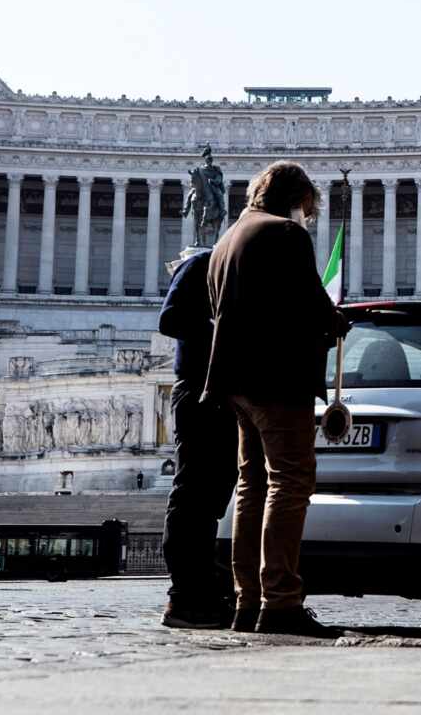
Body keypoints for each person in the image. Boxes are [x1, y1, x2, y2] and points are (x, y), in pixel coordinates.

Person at [204, 161, 345, 637]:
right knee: (290, 482)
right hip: (277, 379)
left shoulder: (225, 241)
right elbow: (309, 303)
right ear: (294, 198)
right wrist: (335, 323)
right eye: (307, 206)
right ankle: (281, 600)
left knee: (251, 487)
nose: (307, 216)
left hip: (234, 382)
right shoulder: (286, 234)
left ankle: (246, 602)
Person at [156, 245, 238, 629]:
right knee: (194, 494)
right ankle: (184, 595)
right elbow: (171, 319)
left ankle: (209, 588)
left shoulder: (235, 269)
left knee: (215, 496)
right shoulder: (200, 262)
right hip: (199, 390)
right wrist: (225, 334)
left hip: (228, 394)